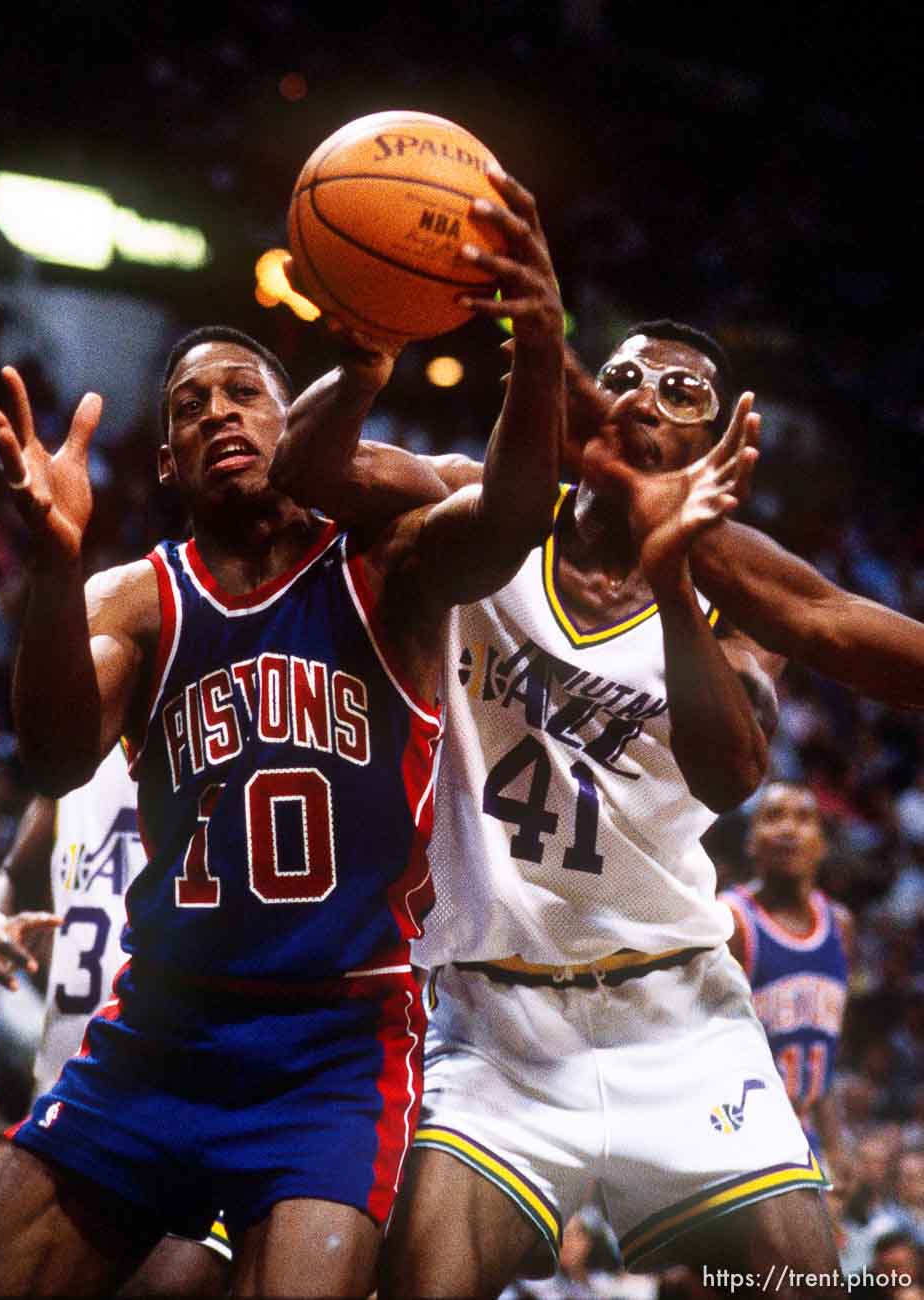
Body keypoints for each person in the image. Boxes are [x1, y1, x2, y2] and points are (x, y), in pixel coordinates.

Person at [0, 169, 567, 1298]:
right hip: (157, 1032)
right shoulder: (131, 597)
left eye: (245, 393)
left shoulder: (394, 566)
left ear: (297, 425)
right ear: (166, 462)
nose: (219, 411)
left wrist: (541, 343)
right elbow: (54, 758)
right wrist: (52, 562)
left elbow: (514, 516)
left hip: (332, 1046)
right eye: (189, 404)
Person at [272, 320, 857, 1298]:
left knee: (803, 1279)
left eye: (682, 392)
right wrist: (370, 353)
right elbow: (313, 470)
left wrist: (672, 584)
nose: (642, 394)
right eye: (625, 374)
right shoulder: (488, 507)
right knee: (424, 1278)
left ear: (715, 448)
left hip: (674, 1006)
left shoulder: (729, 580)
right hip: (491, 1007)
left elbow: (733, 770)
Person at [0, 743, 231, 1295]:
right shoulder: (72, 769)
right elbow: (6, 878)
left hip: (174, 1092)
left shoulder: (214, 746)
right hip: (67, 1095)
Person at [721, 782, 852, 1183]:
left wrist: (835, 1147)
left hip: (803, 1135)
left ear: (823, 843)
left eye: (803, 818)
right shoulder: (730, 921)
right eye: (773, 817)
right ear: (750, 841)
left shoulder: (841, 925)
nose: (788, 829)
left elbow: (822, 1057)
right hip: (735, 1130)